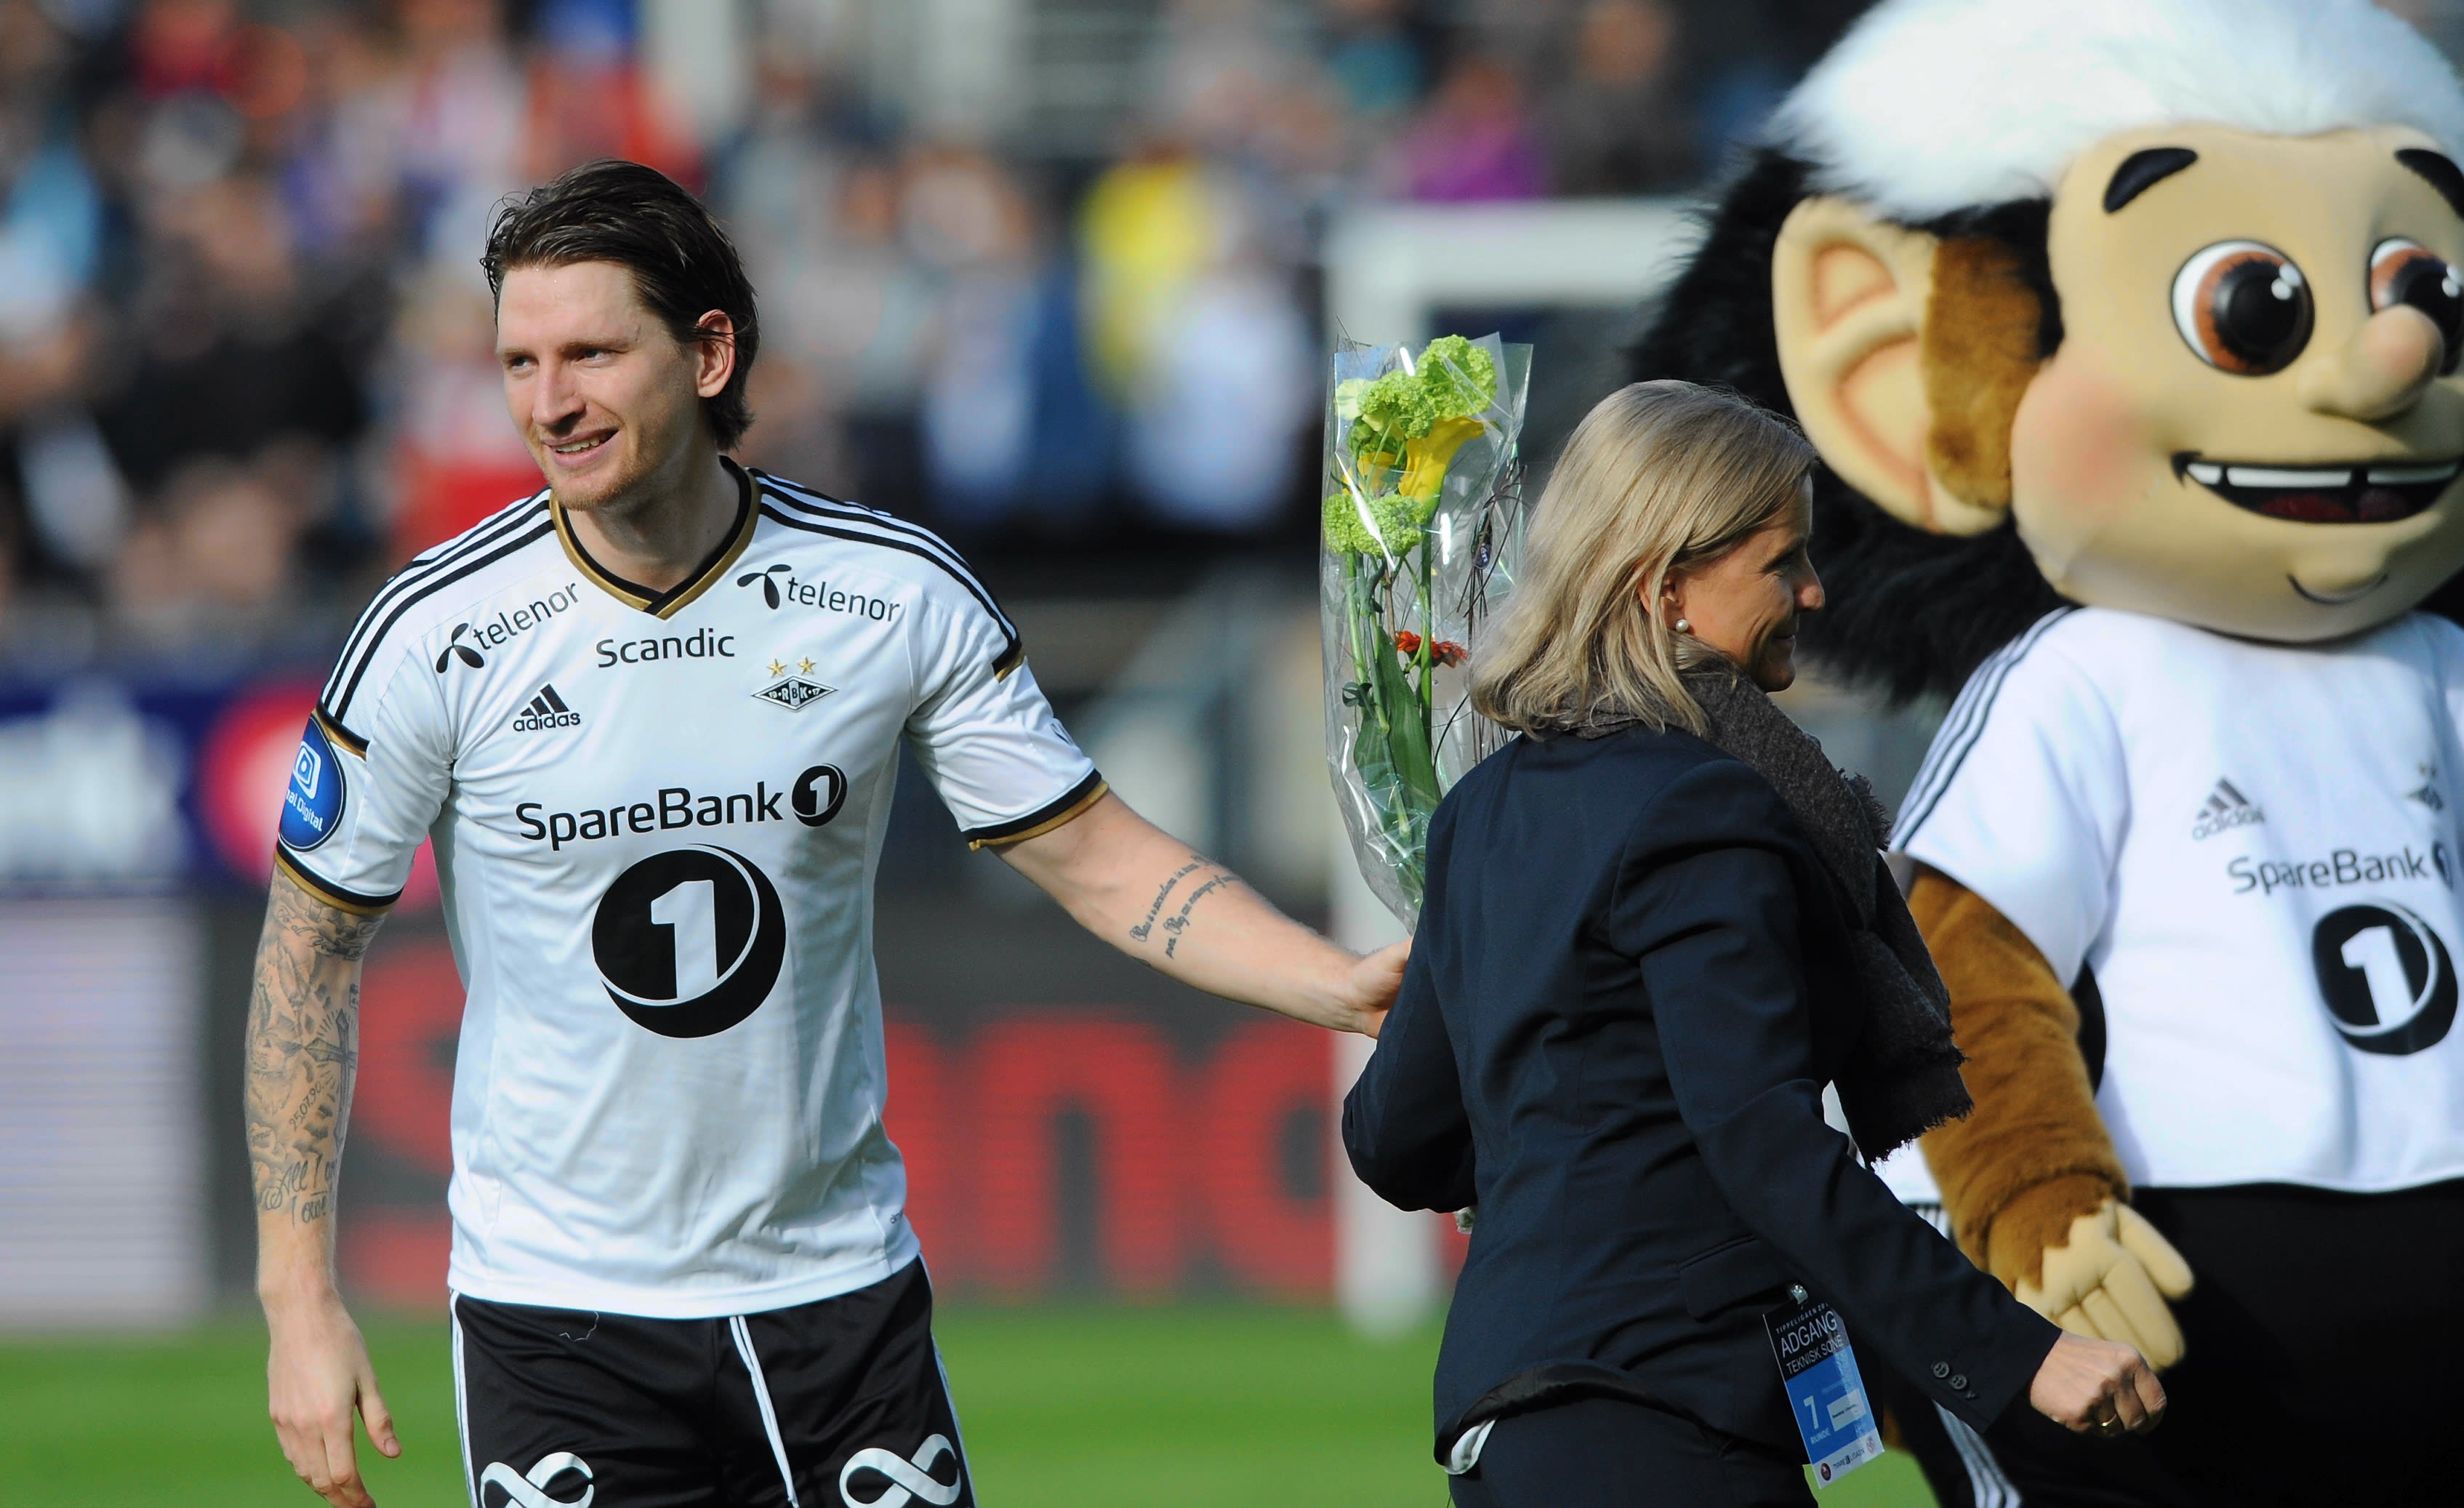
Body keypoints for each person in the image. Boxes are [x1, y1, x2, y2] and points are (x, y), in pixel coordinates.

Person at [245, 159, 1405, 1508]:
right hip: (557, 1318)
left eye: (591, 355)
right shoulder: (434, 633)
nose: (549, 403)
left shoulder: (888, 593)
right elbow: (307, 951)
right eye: (519, 362)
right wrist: (297, 1300)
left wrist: (1337, 982)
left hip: (838, 1303)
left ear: (708, 352)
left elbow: (1097, 859)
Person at [1341, 382, 2163, 1506]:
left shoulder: (1478, 808)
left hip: (1509, 1425)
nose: (1812, 590)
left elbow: (1392, 1139)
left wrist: (1538, 1105)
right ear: (1664, 585)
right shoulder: (1702, 806)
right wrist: (2018, 1351)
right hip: (1659, 1417)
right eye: (1783, 561)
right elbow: (1763, 1143)